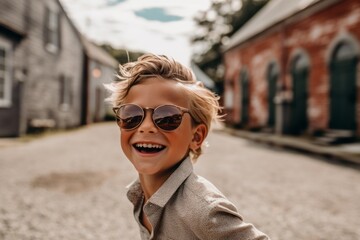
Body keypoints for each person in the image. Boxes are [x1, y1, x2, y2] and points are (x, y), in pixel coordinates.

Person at [105, 54, 270, 240]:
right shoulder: (141, 195)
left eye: (167, 117)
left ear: (196, 136)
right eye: (132, 114)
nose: (146, 127)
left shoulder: (204, 211)